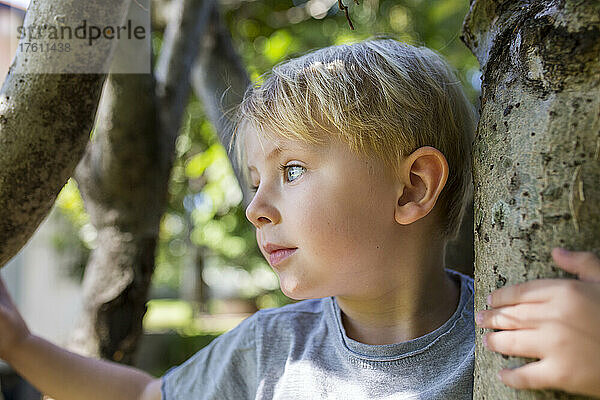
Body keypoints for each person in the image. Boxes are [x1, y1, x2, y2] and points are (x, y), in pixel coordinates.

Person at [0, 38, 598, 400]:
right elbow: (145, 394)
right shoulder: (272, 349)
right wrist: (21, 345)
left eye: (290, 171)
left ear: (412, 187)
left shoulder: (504, 341)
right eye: (255, 180)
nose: (255, 208)